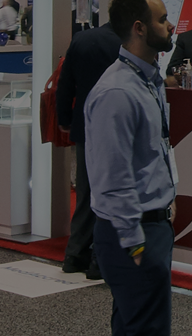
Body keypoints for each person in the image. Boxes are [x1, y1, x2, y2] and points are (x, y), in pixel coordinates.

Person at [85, 0, 179, 335]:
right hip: (132, 234)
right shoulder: (118, 93)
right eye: (163, 19)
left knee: (134, 327)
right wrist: (136, 244)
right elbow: (112, 177)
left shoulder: (149, 81)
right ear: (140, 28)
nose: (170, 26)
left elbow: (155, 148)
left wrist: (169, 197)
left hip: (150, 227)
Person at [56, 20, 124, 280]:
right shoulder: (129, 43)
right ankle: (99, 259)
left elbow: (66, 83)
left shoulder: (82, 39)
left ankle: (74, 256)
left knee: (85, 193)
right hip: (116, 128)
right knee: (109, 194)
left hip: (85, 125)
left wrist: (64, 119)